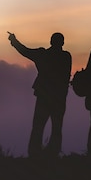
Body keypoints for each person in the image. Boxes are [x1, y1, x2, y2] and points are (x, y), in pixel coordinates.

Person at [8, 31, 72, 159]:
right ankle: (53, 152)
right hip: (59, 97)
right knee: (56, 126)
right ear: (62, 43)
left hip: (44, 95)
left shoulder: (43, 54)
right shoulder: (66, 56)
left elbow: (25, 51)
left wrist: (14, 41)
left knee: (38, 125)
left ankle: (34, 152)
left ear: (51, 42)